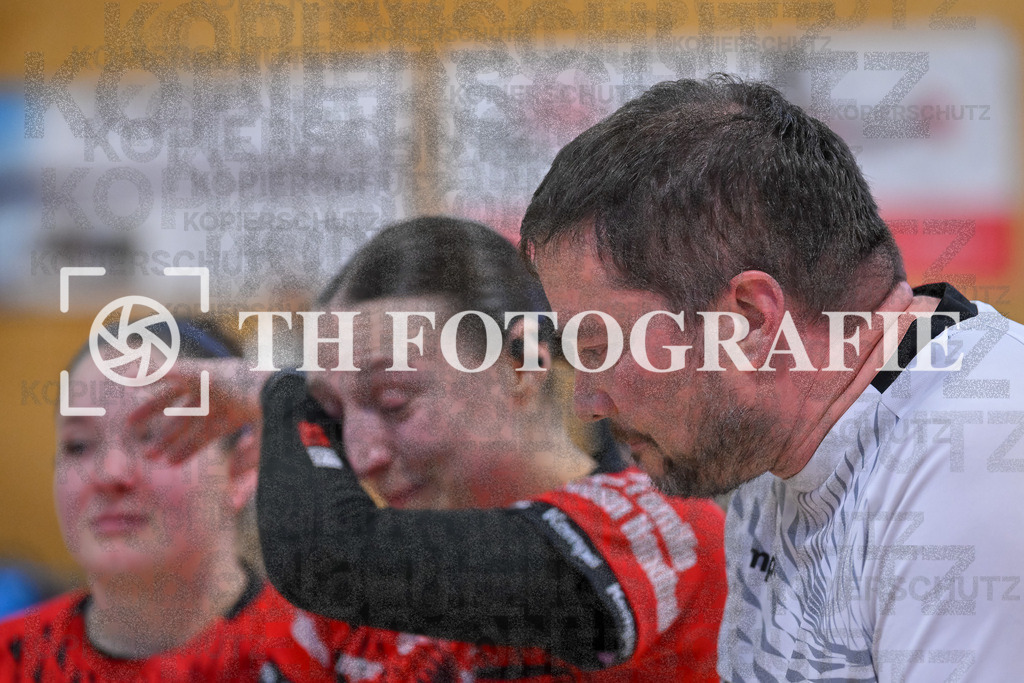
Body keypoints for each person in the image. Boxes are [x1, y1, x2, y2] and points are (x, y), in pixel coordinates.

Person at [518, 73, 1024, 681]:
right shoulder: (773, 447)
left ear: (750, 323)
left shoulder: (981, 455)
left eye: (598, 347)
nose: (588, 401)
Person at [141, 216, 728, 680]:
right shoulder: (344, 617)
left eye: (394, 400)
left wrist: (285, 394)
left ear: (522, 364)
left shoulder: (662, 531)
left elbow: (331, 559)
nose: (364, 455)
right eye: (337, 414)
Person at [0, 320, 441, 681]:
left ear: (242, 467)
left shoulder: (348, 656)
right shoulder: (12, 658)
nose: (110, 474)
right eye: (78, 446)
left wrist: (280, 394)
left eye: (157, 438)